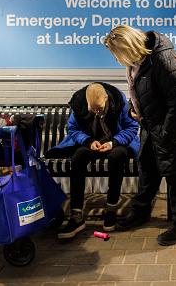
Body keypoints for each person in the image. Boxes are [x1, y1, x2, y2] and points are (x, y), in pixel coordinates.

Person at [103, 25, 176, 246]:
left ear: (130, 46)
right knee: (147, 168)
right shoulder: (137, 61)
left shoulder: (164, 58)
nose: (118, 59)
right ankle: (140, 212)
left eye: (118, 54)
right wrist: (132, 108)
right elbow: (140, 91)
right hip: (153, 125)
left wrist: (168, 132)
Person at [44, 82, 140, 238]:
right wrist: (88, 141)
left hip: (115, 142)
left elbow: (131, 127)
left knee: (118, 156)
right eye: (92, 109)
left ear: (106, 99)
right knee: (78, 157)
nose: (96, 112)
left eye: (99, 108)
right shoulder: (79, 105)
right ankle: (76, 215)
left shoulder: (119, 103)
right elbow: (73, 129)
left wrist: (112, 143)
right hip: (91, 142)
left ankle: (111, 208)